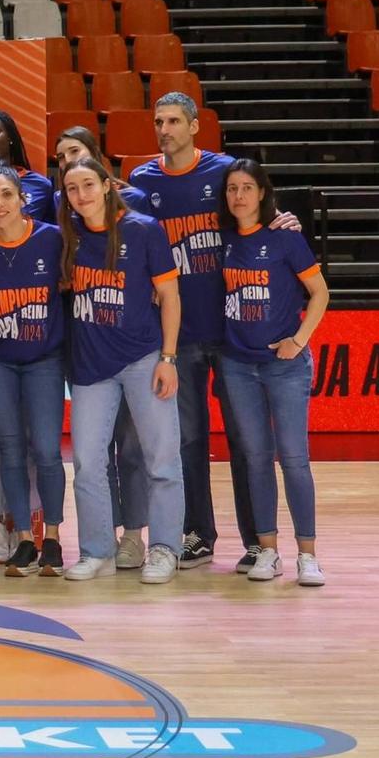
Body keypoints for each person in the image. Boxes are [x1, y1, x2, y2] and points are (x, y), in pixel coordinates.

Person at [124, 91, 257, 571]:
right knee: (188, 441)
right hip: (179, 334)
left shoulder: (223, 173)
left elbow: (258, 215)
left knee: (245, 441)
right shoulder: (142, 180)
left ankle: (258, 540)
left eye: (175, 121)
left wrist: (285, 220)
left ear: (195, 126)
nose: (164, 129)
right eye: (158, 121)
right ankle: (198, 533)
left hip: (234, 329)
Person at [57, 155, 186, 586]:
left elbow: (169, 296)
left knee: (161, 458)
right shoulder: (67, 235)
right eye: (72, 189)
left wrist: (168, 358)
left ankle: (165, 547)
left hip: (143, 358)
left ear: (107, 185)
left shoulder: (144, 229)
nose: (81, 196)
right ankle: (97, 551)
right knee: (89, 464)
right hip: (91, 367)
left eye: (88, 185)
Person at [217, 158, 329, 586]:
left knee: (294, 460)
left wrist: (298, 340)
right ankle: (267, 551)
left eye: (247, 187)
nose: (239, 195)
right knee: (256, 460)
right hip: (237, 364)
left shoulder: (285, 238)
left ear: (262, 193)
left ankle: (308, 555)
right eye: (232, 188)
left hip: (284, 366)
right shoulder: (224, 240)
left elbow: (320, 293)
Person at [0, 166, 67, 576]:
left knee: (45, 448)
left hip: (44, 359)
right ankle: (23, 537)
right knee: (9, 446)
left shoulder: (51, 239)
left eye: (6, 194)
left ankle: (54, 538)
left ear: (22, 198)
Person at [57, 124, 150, 568]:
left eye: (75, 153)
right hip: (89, 353)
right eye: (60, 160)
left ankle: (134, 534)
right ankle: (100, 544)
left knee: (132, 450)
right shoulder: (64, 220)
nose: (67, 163)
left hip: (134, 348)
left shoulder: (137, 211)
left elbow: (158, 278)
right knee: (93, 456)